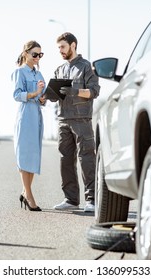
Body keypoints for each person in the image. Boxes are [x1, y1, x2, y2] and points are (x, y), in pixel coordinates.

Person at [51, 32, 100, 212]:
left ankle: (92, 200)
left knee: (86, 158)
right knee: (65, 160)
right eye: (59, 48)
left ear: (73, 45)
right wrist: (50, 95)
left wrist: (75, 91)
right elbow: (56, 94)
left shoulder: (86, 67)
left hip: (81, 120)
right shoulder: (59, 69)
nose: (60, 51)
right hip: (63, 119)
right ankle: (71, 200)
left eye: (63, 47)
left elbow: (94, 91)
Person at [12, 40, 46, 211]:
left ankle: (25, 192)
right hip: (25, 116)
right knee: (25, 154)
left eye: (40, 55)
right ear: (25, 53)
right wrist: (35, 93)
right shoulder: (19, 72)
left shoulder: (39, 75)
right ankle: (29, 195)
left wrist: (42, 98)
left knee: (33, 155)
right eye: (34, 54)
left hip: (37, 116)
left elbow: (43, 98)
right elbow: (17, 95)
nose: (37, 58)